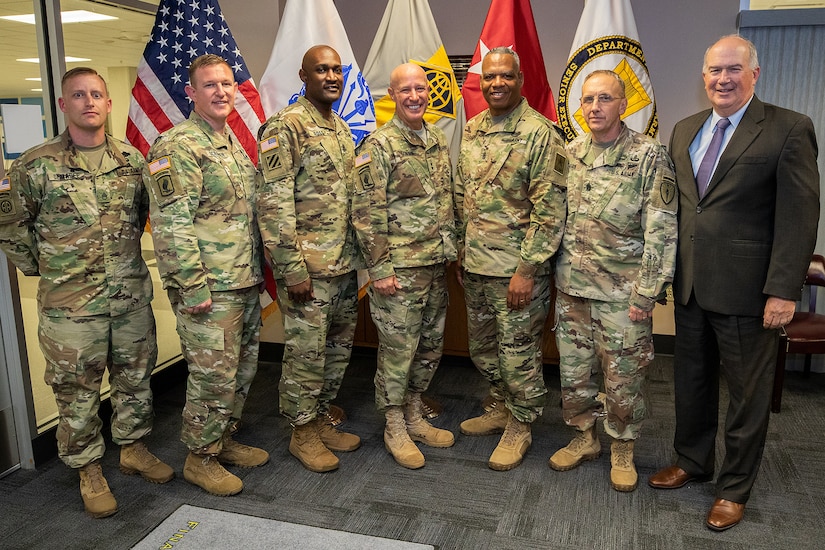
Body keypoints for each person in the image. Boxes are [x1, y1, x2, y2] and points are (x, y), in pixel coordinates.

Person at [648, 35, 819, 530]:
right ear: (703, 77)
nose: (722, 79)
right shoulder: (684, 130)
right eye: (714, 71)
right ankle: (693, 461)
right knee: (691, 382)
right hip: (692, 286)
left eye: (733, 70)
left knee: (747, 394)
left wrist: (784, 289)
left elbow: (799, 216)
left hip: (750, 292)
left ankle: (734, 487)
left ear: (754, 74)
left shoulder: (789, 129)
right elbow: (683, 211)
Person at [0, 67, 173, 518]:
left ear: (109, 103)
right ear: (63, 105)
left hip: (130, 298)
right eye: (78, 95)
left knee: (135, 379)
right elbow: (12, 226)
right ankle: (88, 468)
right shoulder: (35, 164)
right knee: (76, 390)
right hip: (71, 308)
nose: (89, 102)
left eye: (97, 94)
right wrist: (46, 269)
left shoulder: (133, 161)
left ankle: (133, 448)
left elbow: (143, 218)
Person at [547, 70, 677, 492]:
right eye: (587, 100)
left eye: (605, 98)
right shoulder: (570, 152)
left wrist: (647, 293)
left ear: (624, 104)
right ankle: (583, 437)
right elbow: (555, 220)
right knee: (574, 372)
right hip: (572, 289)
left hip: (624, 294)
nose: (595, 108)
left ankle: (623, 447)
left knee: (623, 377)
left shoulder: (649, 155)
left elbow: (662, 228)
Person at [145, 54, 269, 497]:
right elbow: (172, 222)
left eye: (227, 84)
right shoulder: (179, 146)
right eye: (210, 85)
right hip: (210, 287)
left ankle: (222, 439)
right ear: (191, 93)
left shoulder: (231, 142)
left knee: (241, 368)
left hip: (241, 280)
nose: (221, 92)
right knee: (212, 375)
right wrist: (192, 285)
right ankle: (200, 458)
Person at [454, 47, 568, 471]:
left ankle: (521, 423)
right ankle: (501, 406)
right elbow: (466, 194)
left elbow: (550, 211)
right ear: (480, 82)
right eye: (489, 77)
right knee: (484, 351)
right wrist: (465, 252)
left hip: (517, 272)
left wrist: (527, 270)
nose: (496, 83)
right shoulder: (475, 127)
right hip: (478, 266)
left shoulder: (541, 133)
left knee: (518, 353)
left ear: (520, 81)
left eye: (505, 76)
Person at [257, 45, 362, 473]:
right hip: (308, 272)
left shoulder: (338, 127)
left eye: (337, 69)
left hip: (342, 266)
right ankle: (301, 432)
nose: (332, 76)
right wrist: (291, 267)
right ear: (304, 75)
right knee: (306, 354)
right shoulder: (286, 127)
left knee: (335, 350)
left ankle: (320, 418)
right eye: (322, 69)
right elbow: (273, 202)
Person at [351, 63, 457, 469]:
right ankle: (394, 423)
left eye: (420, 88)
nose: (414, 96)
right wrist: (379, 269)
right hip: (399, 272)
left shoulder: (435, 140)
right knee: (398, 351)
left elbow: (445, 201)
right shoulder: (377, 146)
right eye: (405, 90)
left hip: (434, 266)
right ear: (391, 96)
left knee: (429, 348)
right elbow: (366, 211)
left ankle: (414, 412)